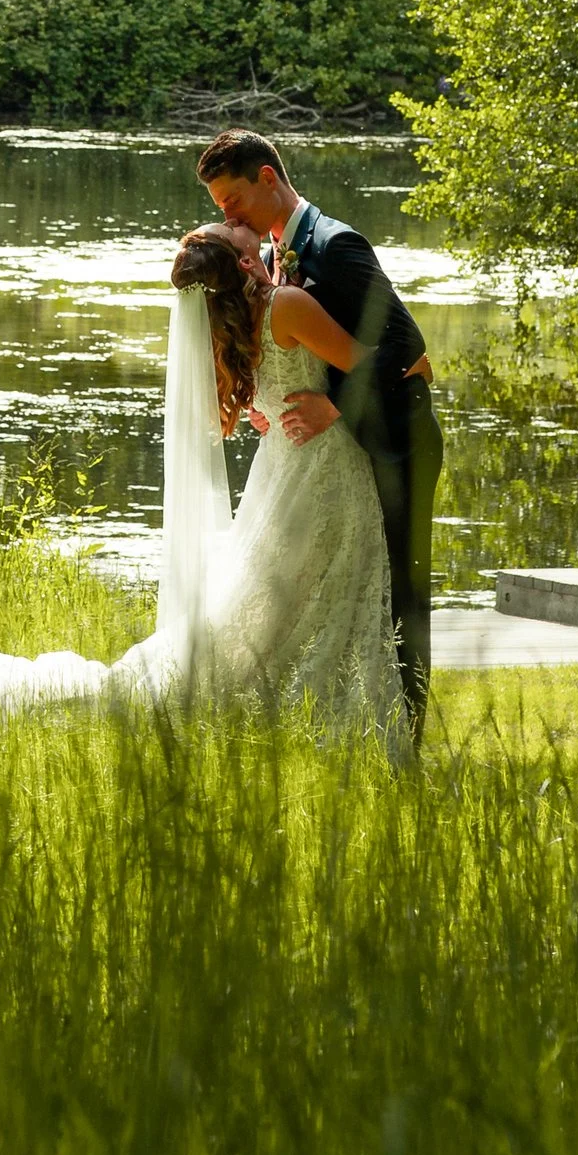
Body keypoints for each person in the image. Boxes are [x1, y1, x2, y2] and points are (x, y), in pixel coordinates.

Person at [0, 218, 403, 741]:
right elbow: (376, 359)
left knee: (285, 597)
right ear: (248, 261)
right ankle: (322, 707)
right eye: (237, 230)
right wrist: (399, 366)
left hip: (286, 468)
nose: (239, 221)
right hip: (317, 463)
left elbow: (269, 394)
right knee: (308, 591)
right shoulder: (287, 306)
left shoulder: (242, 320)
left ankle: (300, 700)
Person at [195, 128, 442, 742]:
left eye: (232, 203)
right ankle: (346, 711)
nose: (227, 216)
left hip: (398, 440)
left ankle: (406, 730)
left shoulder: (336, 244)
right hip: (337, 455)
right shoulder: (278, 253)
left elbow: (407, 348)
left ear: (268, 180)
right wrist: (269, 403)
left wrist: (333, 405)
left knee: (402, 587)